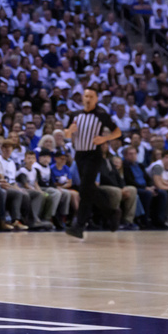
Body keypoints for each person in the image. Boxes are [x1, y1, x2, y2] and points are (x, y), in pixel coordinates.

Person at [64, 87, 122, 239]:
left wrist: (104, 139)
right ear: (82, 98)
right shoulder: (75, 115)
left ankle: (79, 225)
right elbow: (66, 134)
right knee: (87, 190)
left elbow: (117, 132)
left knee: (84, 188)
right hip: (79, 155)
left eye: (91, 96)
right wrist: (69, 132)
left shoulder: (101, 115)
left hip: (93, 155)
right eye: (86, 96)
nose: (88, 99)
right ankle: (111, 212)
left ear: (96, 99)